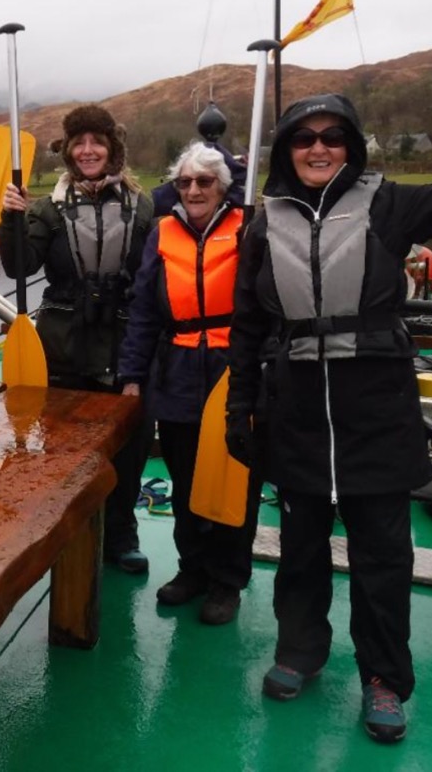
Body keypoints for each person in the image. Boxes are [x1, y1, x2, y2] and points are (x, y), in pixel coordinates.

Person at [228, 75, 432, 744]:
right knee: (299, 554)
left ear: (349, 147)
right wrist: (241, 408)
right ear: (287, 150)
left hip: (375, 417)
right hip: (295, 418)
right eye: (303, 138)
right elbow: (246, 328)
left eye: (330, 138)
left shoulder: (391, 208)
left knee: (383, 558)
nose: (317, 148)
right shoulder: (263, 226)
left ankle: (384, 679)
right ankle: (299, 652)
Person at [0, 104, 155, 574]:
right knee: (64, 449)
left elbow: (154, 277)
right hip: (64, 343)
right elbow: (20, 267)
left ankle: (121, 531)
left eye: (97, 142)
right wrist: (11, 220)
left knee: (129, 446)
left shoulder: (142, 206)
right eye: (79, 143)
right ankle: (71, 531)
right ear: (68, 152)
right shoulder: (46, 208)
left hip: (123, 340)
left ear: (112, 149)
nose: (88, 150)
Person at [117, 141, 259, 624]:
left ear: (223, 187)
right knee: (184, 480)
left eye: (204, 181)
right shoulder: (162, 234)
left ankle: (228, 580)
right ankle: (192, 569)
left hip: (233, 370)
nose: (194, 190)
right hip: (176, 369)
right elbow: (142, 312)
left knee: (233, 478)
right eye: (185, 182)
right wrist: (133, 376)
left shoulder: (249, 228)